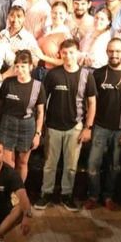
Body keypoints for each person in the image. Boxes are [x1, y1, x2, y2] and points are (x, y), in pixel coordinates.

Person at [35, 39, 97, 211]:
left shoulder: (86, 76)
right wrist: (41, 127)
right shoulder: (53, 74)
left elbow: (92, 103)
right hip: (53, 126)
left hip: (75, 127)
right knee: (49, 164)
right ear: (60, 54)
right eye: (64, 53)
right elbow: (42, 101)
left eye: (71, 52)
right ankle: (45, 194)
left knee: (71, 166)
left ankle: (66, 195)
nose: (68, 56)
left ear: (77, 53)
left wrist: (88, 127)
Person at [85, 38, 121, 211]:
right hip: (100, 127)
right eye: (111, 51)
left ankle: (108, 197)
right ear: (106, 52)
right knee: (92, 165)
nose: (114, 54)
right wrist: (90, 125)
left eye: (118, 51)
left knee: (115, 167)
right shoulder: (98, 74)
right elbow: (90, 102)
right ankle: (93, 196)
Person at [0, 50, 45, 181]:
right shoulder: (8, 82)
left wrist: (38, 134)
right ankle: (7, 191)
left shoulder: (37, 86)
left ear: (30, 67)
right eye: (17, 66)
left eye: (23, 66)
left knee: (22, 163)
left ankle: (18, 191)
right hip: (7, 122)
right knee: (7, 163)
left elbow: (40, 112)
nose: (19, 69)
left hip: (27, 125)